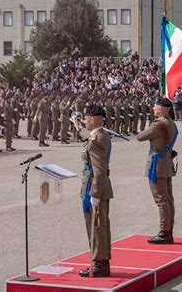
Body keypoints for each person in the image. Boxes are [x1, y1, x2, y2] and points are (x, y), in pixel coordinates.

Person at [74, 104, 113, 278]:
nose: (85, 121)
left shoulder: (96, 140)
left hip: (95, 186)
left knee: (96, 226)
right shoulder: (100, 135)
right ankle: (102, 262)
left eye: (85, 118)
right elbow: (86, 135)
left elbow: (98, 170)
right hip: (100, 185)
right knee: (100, 225)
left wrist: (94, 194)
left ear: (92, 119)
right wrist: (77, 126)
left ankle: (99, 264)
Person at [137, 97, 178, 244]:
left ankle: (164, 232)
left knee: (161, 200)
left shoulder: (157, 125)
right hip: (166, 162)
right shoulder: (171, 123)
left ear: (160, 109)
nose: (153, 109)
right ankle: (169, 229)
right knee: (168, 199)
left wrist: (148, 126)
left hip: (157, 166)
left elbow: (140, 137)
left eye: (155, 107)